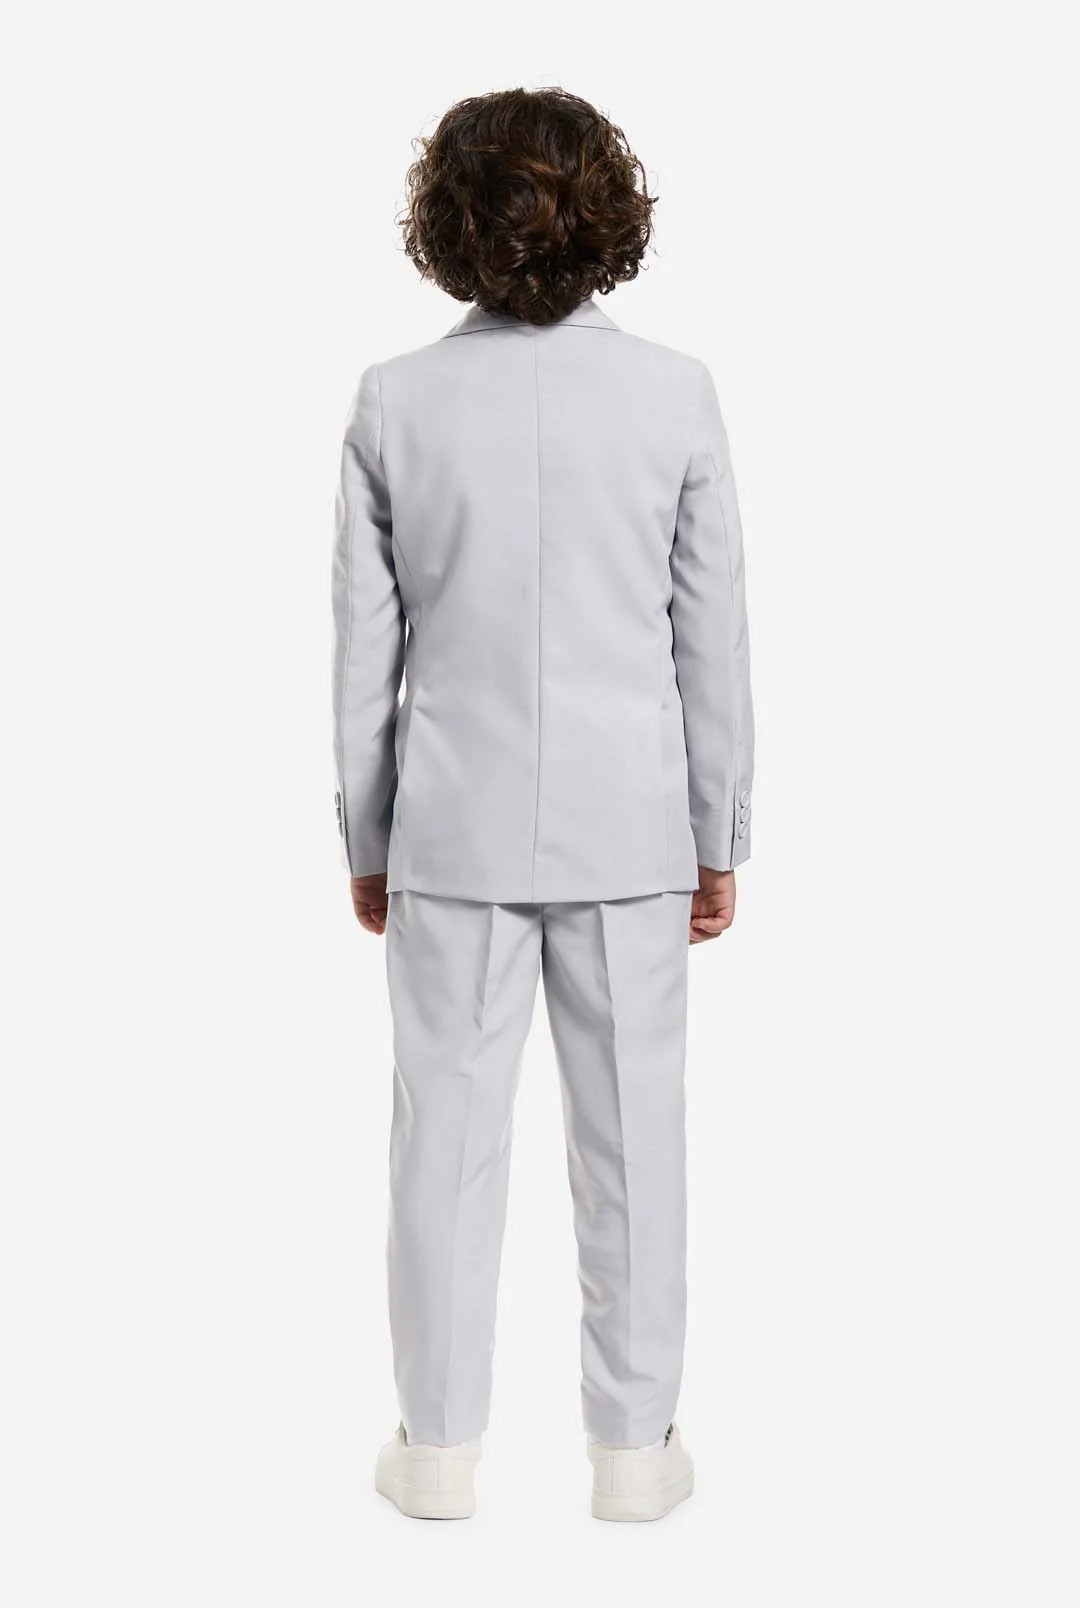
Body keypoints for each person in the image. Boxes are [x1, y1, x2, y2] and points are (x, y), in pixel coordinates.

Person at [331, 86, 754, 1522]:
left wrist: (369, 835)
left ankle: (436, 1454)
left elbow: (364, 655)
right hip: (632, 829)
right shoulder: (675, 394)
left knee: (441, 1146)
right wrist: (719, 831)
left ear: (446, 227)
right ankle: (633, 1458)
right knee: (635, 1142)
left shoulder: (395, 401)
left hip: (450, 830)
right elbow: (711, 640)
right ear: (610, 216)